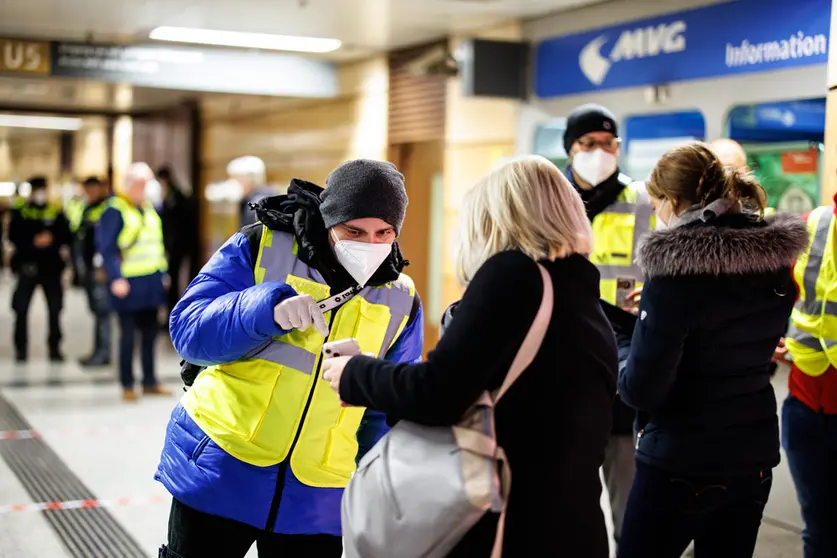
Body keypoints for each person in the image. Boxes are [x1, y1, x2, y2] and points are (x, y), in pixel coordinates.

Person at [322, 155, 618, 557]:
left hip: (510, 524)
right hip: (574, 526)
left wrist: (354, 373)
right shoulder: (582, 294)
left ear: (496, 217)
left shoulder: (514, 274)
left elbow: (438, 393)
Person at [155, 159, 424, 558]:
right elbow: (189, 331)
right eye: (354, 231)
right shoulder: (260, 246)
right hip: (222, 469)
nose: (370, 244)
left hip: (318, 498)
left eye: (384, 233)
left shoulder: (401, 297)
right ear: (330, 219)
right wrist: (264, 310)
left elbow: (386, 410)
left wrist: (378, 489)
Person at [616, 143, 808, 557]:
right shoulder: (773, 259)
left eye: (656, 206)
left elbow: (642, 389)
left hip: (680, 460)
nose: (658, 217)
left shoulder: (674, 269)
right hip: (751, 459)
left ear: (675, 201)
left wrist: (623, 345)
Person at [563, 103, 653, 546]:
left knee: (629, 506)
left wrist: (653, 294)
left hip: (623, 361)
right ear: (570, 147)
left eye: (608, 143)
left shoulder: (641, 199)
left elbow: (664, 266)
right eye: (588, 143)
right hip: (567, 359)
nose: (600, 151)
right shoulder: (551, 199)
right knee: (570, 504)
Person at [780, 188, 837, 558]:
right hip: (807, 405)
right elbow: (782, 295)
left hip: (809, 408)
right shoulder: (813, 225)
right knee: (820, 533)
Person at [97, 163, 171, 401]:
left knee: (150, 335)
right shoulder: (115, 210)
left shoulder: (149, 209)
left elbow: (155, 244)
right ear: (131, 185)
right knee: (128, 336)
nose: (147, 188)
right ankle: (127, 384)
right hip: (127, 284)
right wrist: (116, 278)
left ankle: (150, 381)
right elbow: (106, 249)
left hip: (151, 282)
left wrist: (163, 273)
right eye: (143, 183)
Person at [9, 177, 72, 362]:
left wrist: (52, 239)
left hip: (51, 267)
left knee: (55, 309)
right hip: (27, 266)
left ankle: (55, 347)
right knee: (21, 308)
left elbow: (67, 235)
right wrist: (32, 241)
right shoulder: (22, 212)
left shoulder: (55, 211)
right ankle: (21, 348)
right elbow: (14, 235)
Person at [77, 177, 113, 367]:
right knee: (97, 311)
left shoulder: (107, 208)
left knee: (103, 311)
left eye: (93, 188)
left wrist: (103, 266)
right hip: (89, 267)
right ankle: (98, 350)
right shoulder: (86, 209)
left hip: (101, 269)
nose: (90, 192)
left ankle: (103, 352)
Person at [157, 166, 196, 321]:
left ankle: (171, 315)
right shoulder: (176, 193)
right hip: (178, 245)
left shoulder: (174, 196)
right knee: (173, 280)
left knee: (172, 281)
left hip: (176, 246)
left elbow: (173, 224)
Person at [227, 155, 273, 228]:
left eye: (235, 178)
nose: (231, 182)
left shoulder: (256, 207)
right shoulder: (269, 196)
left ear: (249, 180)